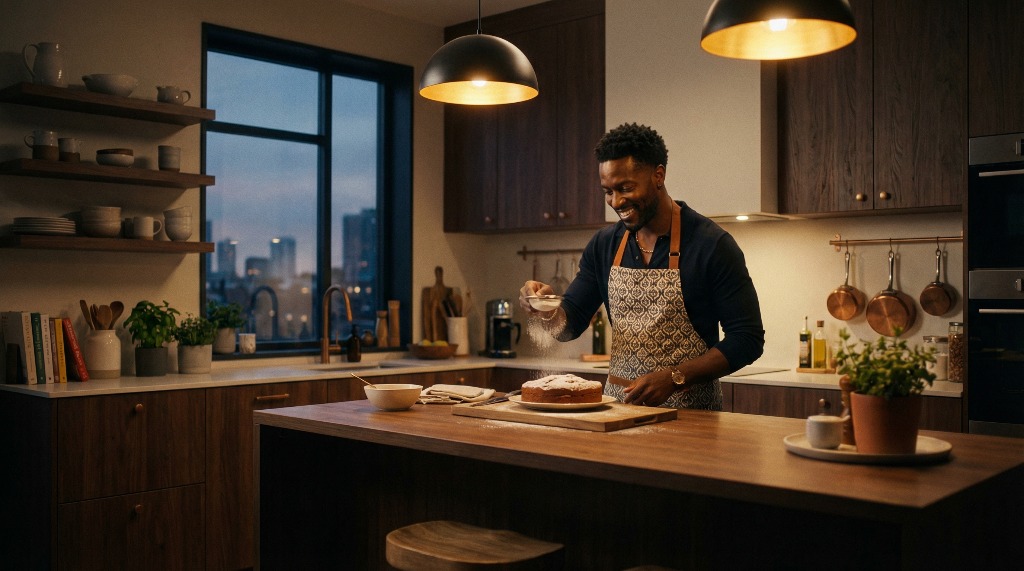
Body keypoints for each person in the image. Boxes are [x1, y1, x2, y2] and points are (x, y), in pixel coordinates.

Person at [519, 123, 764, 410]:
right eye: (607, 191)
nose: (616, 201)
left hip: (693, 417)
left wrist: (675, 378)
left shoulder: (712, 245)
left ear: (658, 176)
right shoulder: (604, 245)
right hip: (617, 409)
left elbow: (747, 339)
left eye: (626, 188)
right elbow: (569, 325)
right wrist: (545, 308)